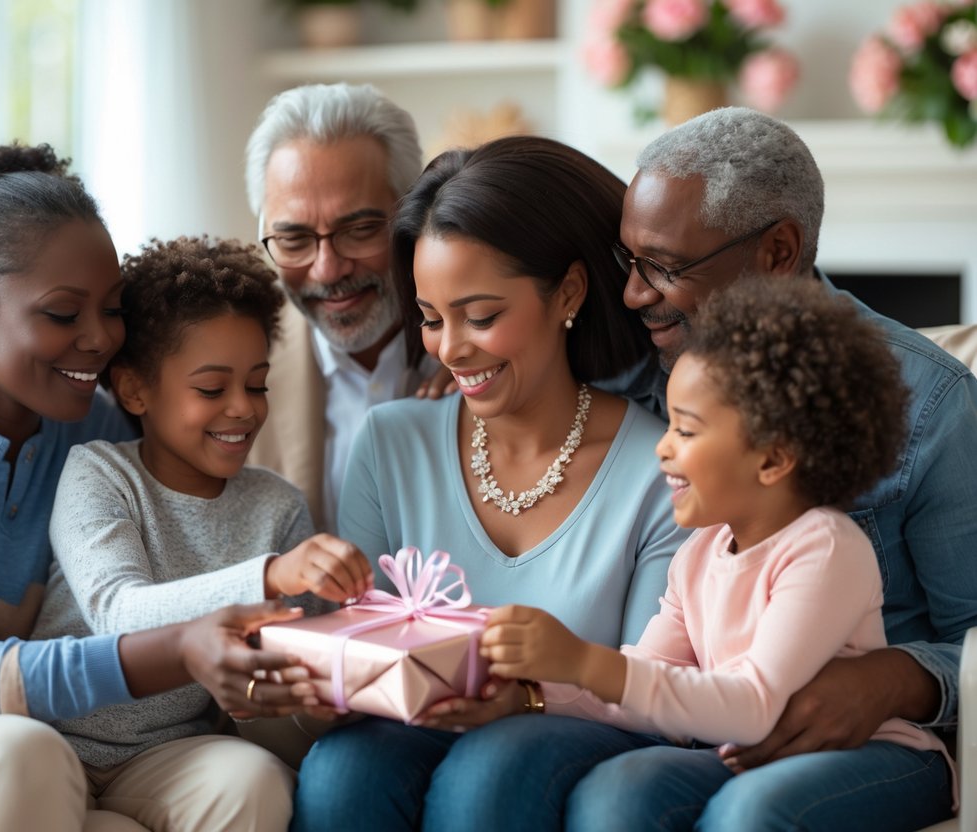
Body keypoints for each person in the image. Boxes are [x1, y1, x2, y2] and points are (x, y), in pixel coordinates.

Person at [0, 145, 320, 832]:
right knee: (20, 752)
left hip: (45, 733)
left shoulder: (101, 432)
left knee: (243, 779)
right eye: (63, 314)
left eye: (111, 310)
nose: (101, 339)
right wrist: (180, 645)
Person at [290, 135, 690, 831]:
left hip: (574, 741)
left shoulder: (658, 468)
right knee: (339, 768)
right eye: (430, 319)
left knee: (489, 774)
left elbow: (652, 687)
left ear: (566, 291)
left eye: (480, 316)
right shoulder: (390, 442)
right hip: (412, 728)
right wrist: (316, 684)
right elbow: (353, 645)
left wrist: (526, 698)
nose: (451, 348)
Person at [604, 106, 977, 828]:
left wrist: (894, 680)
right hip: (708, 720)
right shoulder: (646, 364)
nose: (634, 292)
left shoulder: (930, 404)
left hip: (867, 745)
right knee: (618, 792)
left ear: (777, 252)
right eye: (629, 261)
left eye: (664, 266)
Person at [481, 277, 953, 831]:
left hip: (881, 757)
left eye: (686, 430)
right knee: (619, 789)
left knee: (750, 812)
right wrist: (533, 688)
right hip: (753, 754)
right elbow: (646, 683)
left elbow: (754, 704)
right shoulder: (698, 555)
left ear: (772, 460)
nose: (662, 446)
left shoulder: (825, 547)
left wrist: (586, 661)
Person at [30, 235, 373, 829]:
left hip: (169, 753)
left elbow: (302, 679)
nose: (243, 408)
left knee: (256, 780)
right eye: (212, 389)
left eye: (258, 384)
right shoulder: (99, 473)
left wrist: (301, 695)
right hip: (51, 742)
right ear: (135, 389)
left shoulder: (279, 507)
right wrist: (268, 575)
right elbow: (117, 611)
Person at [243, 82, 443, 532]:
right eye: (293, 240)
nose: (328, 271)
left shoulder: (484, 353)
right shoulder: (235, 376)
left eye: (359, 230)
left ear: (414, 214)